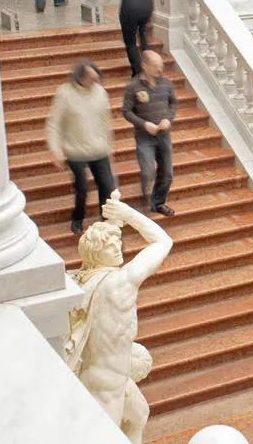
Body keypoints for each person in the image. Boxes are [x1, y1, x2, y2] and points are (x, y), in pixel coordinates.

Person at [65, 190, 173, 444]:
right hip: (106, 386)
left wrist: (112, 225)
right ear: (95, 253)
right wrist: (126, 213)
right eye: (109, 246)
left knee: (139, 416)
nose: (117, 249)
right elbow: (163, 241)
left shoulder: (84, 281)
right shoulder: (121, 283)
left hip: (112, 377)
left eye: (117, 243)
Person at [46, 60, 116, 235]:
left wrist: (108, 144)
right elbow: (54, 123)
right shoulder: (65, 93)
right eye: (91, 78)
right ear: (80, 78)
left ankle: (106, 224)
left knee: (107, 186)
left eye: (96, 78)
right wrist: (56, 150)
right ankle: (78, 217)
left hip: (98, 148)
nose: (95, 82)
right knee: (82, 187)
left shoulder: (101, 92)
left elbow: (105, 120)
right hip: (75, 149)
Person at [123, 51, 176, 216]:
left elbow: (173, 103)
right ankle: (145, 193)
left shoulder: (167, 83)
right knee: (148, 171)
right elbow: (126, 111)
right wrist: (143, 124)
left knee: (167, 173)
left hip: (163, 135)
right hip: (144, 137)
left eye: (161, 66)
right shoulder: (133, 87)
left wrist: (168, 118)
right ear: (144, 66)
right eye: (156, 67)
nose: (160, 70)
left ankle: (158, 203)